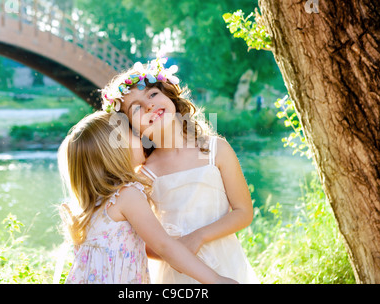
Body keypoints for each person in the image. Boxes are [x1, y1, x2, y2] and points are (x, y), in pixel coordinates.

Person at [100, 55, 260, 284]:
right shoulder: (143, 175)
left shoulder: (216, 149)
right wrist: (174, 251)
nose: (150, 106)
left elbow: (243, 212)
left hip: (227, 264)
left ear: (169, 96)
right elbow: (144, 243)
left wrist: (198, 238)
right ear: (130, 129)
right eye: (137, 109)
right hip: (176, 275)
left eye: (153, 94)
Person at [57, 110, 237, 284]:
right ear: (118, 150)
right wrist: (216, 280)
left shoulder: (93, 205)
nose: (142, 138)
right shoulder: (127, 195)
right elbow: (164, 246)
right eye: (134, 135)